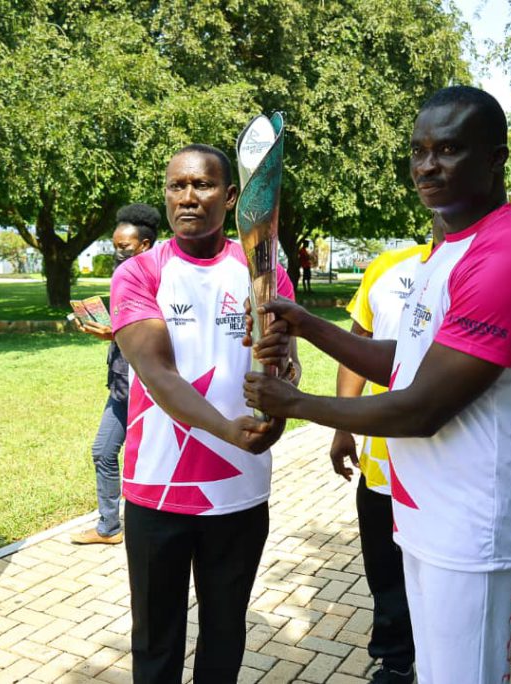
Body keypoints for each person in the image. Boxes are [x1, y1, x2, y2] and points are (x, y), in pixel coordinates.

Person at [243, 86, 511, 683]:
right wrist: (307, 323)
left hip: (476, 526)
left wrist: (301, 403)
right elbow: (407, 363)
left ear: (496, 157)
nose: (427, 166)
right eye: (418, 151)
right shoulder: (450, 248)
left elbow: (422, 408)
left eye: (449, 149)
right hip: (430, 511)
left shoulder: (504, 255)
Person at [110, 144, 300, 682]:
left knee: (224, 633)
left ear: (232, 196)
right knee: (155, 641)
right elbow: (158, 374)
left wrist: (281, 378)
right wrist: (228, 431)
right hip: (157, 488)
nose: (188, 197)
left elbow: (288, 369)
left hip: (238, 491)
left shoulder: (264, 273)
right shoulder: (139, 274)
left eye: (203, 185)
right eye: (177, 186)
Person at [330, 219, 445, 683]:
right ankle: (395, 661)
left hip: (446, 464)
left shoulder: (483, 268)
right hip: (382, 465)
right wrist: (342, 426)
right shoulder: (387, 266)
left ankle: (443, 661)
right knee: (385, 572)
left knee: (439, 576)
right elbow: (358, 345)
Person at [69, 204, 159, 545]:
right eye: (114, 246)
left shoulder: (158, 278)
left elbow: (156, 333)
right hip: (122, 386)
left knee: (149, 458)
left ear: (145, 244)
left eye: (125, 247)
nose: (118, 253)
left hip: (151, 390)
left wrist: (114, 334)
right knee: (103, 452)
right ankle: (109, 527)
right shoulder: (124, 278)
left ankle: (150, 522)